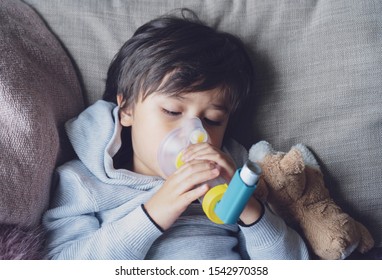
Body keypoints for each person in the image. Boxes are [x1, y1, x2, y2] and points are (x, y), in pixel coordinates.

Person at [43, 10, 310, 260]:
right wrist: (153, 215)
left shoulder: (233, 176)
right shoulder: (83, 181)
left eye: (212, 120)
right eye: (172, 111)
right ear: (126, 110)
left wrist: (247, 208)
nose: (196, 134)